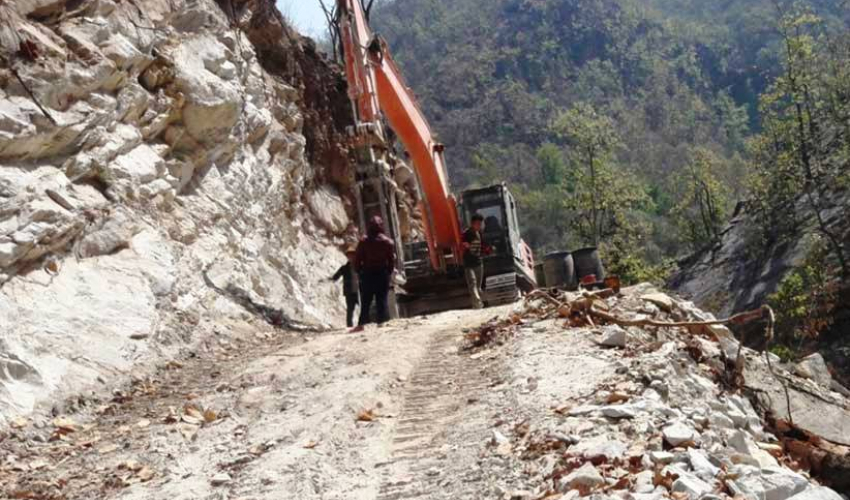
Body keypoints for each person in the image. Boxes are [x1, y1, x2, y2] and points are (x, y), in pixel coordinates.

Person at [352, 215, 396, 331]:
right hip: (382, 273)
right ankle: (381, 322)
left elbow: (358, 259)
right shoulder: (388, 242)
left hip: (367, 274)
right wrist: (388, 272)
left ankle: (362, 324)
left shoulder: (363, 242)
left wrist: (359, 271)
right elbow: (391, 260)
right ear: (381, 226)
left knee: (366, 300)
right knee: (381, 299)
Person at [463, 213, 491, 309]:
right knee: (472, 284)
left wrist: (488, 250)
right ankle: (478, 302)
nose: (480, 226)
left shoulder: (480, 233)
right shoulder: (467, 234)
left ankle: (479, 304)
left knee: (478, 287)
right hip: (468, 264)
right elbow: (463, 244)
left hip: (479, 263)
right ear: (473, 224)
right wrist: (466, 245)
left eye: (480, 224)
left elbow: (484, 245)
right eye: (478, 224)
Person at [328, 247, 359, 328]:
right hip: (349, 292)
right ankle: (349, 327)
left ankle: (364, 324)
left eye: (352, 255)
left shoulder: (360, 266)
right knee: (350, 311)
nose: (351, 257)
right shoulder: (344, 268)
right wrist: (329, 279)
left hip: (360, 291)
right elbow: (335, 277)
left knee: (364, 308)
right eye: (349, 255)